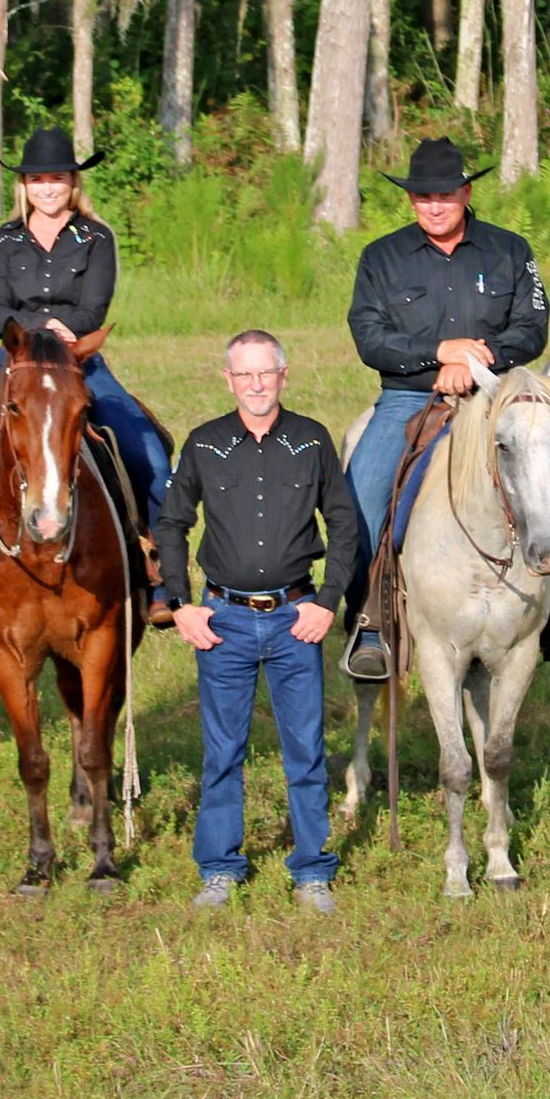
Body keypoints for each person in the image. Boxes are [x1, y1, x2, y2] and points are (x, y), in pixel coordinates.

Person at [0, 125, 177, 648]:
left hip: (77, 364)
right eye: (37, 179)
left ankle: (161, 580)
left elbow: (96, 305)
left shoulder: (97, 237)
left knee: (152, 460)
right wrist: (24, 337)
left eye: (58, 178)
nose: (48, 188)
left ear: (73, 182)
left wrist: (70, 332)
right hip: (15, 364)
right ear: (23, 184)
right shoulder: (7, 239)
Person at [340, 137, 550, 684]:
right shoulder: (381, 258)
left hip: (495, 397)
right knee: (360, 497)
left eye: (444, 195)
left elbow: (532, 326)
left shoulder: (511, 250)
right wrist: (437, 355)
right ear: (411, 201)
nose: (433, 206)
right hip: (409, 397)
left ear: (465, 192)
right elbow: (369, 337)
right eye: (421, 197)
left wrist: (484, 356)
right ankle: (370, 618)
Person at [159, 329, 357, 916]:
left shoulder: (312, 441)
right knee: (222, 751)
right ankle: (220, 868)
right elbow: (171, 524)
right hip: (223, 621)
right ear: (228, 380)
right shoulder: (204, 444)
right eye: (244, 375)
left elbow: (344, 523)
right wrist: (180, 605)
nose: (256, 385)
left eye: (265, 372)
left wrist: (328, 600)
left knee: (305, 748)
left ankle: (312, 872)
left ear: (283, 374)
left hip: (297, 618)